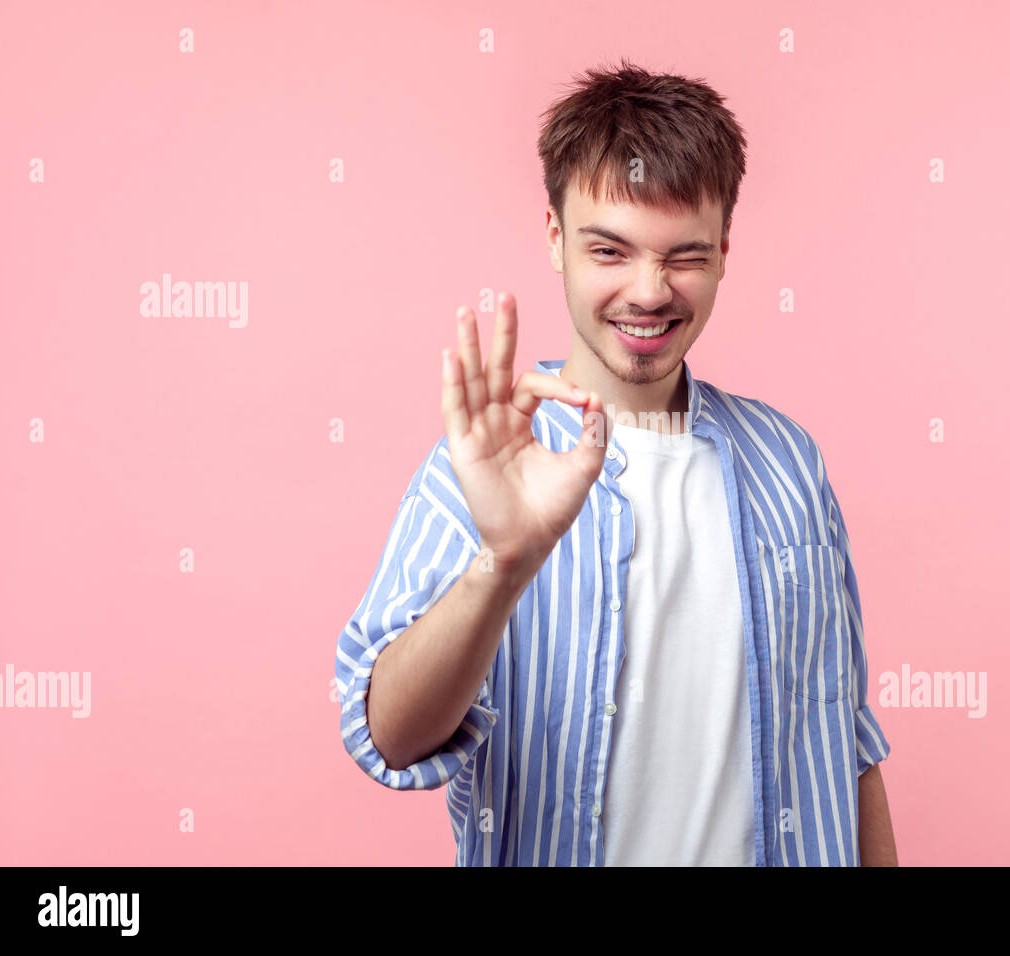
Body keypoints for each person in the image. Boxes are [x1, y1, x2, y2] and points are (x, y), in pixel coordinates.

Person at [335, 58, 896, 866]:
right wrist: (502, 562)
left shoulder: (789, 463)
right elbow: (389, 735)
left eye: (685, 255)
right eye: (610, 250)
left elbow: (843, 738)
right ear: (556, 239)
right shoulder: (480, 467)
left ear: (726, 251)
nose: (648, 290)